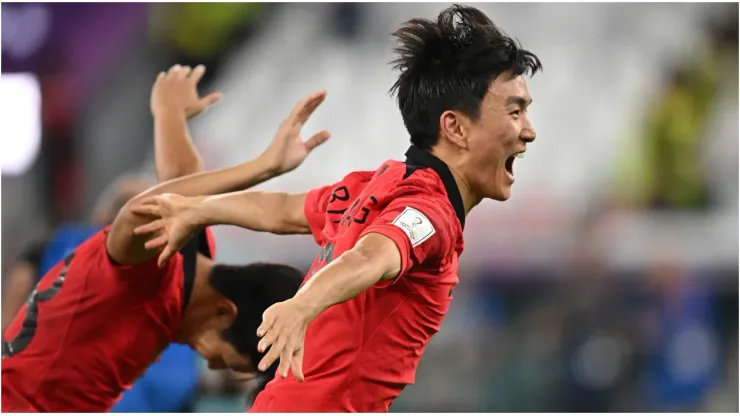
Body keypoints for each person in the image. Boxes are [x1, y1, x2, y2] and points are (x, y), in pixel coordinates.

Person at [131, 4, 542, 412]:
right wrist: (301, 307)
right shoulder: (430, 212)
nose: (529, 131)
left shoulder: (373, 187)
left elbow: (280, 209)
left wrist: (199, 209)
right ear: (454, 127)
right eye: (514, 111)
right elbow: (373, 256)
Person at [1, 64, 330, 412]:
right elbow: (138, 213)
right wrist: (261, 167)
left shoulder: (188, 248)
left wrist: (169, 114)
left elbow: (181, 182)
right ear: (222, 312)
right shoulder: (153, 268)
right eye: (231, 360)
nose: (217, 365)